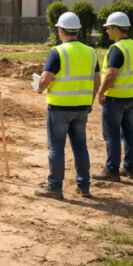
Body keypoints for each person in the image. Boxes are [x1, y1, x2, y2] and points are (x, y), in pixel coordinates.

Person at [34, 12, 101, 199]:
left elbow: (46, 80)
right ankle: (84, 186)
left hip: (60, 109)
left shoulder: (58, 52)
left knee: (56, 148)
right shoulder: (90, 52)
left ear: (60, 31)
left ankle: (55, 187)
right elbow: (97, 81)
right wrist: (90, 101)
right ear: (78, 31)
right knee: (80, 147)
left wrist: (39, 88)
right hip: (81, 107)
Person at [93, 12, 133, 182]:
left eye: (108, 28)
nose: (106, 31)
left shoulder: (117, 49)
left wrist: (100, 92)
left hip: (115, 98)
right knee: (129, 133)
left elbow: (111, 74)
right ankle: (130, 168)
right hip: (131, 97)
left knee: (112, 134)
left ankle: (112, 170)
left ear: (115, 29)